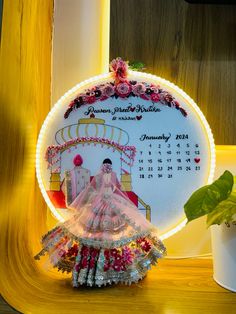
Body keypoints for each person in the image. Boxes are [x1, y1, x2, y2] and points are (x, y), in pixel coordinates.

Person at [34, 158, 166, 287]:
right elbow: (93, 189)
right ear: (104, 166)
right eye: (106, 165)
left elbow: (118, 187)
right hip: (100, 202)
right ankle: (93, 270)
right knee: (95, 229)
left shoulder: (113, 175)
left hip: (111, 201)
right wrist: (97, 198)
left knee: (116, 228)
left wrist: (116, 198)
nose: (107, 167)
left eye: (109, 165)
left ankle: (114, 266)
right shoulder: (98, 176)